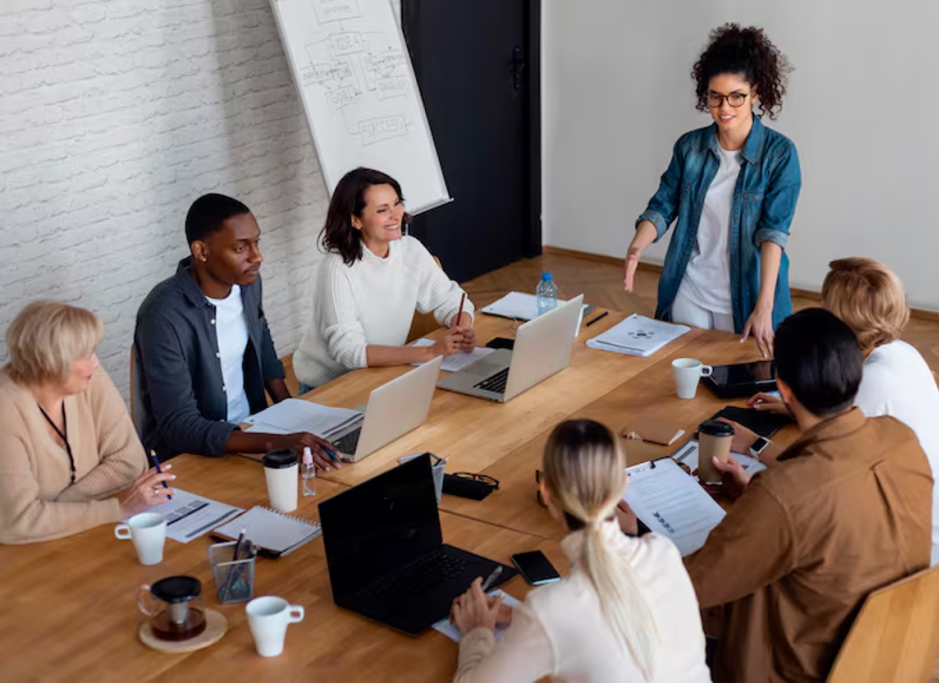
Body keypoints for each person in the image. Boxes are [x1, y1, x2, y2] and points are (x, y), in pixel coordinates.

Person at [685, 309, 933, 682]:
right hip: (891, 654)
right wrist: (755, 498)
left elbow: (689, 588)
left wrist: (632, 534)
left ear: (783, 388)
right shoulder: (901, 438)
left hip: (801, 668)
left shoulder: (785, 493)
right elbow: (835, 513)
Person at [745, 257, 939, 596]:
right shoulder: (902, 353)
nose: (819, 309)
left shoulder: (873, 380)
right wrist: (794, 409)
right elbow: (855, 420)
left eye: (824, 304)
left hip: (936, 564)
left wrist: (751, 446)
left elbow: (813, 476)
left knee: (790, 554)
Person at [448, 419, 711, 683]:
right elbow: (605, 620)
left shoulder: (551, 610)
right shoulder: (663, 552)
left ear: (546, 491)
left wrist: (477, 631)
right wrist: (520, 619)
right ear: (623, 484)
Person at [624, 24, 801, 357]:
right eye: (715, 97)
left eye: (737, 96)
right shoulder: (689, 148)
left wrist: (764, 306)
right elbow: (663, 207)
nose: (725, 108)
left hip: (747, 295)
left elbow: (773, 235)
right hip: (688, 288)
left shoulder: (779, 155)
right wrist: (637, 246)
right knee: (681, 380)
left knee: (739, 385)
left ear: (757, 93)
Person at [135, 194, 340, 470]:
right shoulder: (163, 314)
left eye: (256, 242)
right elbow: (179, 425)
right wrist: (275, 442)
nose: (257, 256)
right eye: (240, 248)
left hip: (253, 429)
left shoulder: (246, 283)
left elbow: (262, 344)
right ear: (201, 251)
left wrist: (295, 417)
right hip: (196, 457)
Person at [0, 301, 174, 544]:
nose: (96, 363)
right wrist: (116, 510)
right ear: (47, 364)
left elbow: (130, 463)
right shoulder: (6, 411)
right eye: (85, 355)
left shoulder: (90, 379)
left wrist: (55, 507)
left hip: (79, 536)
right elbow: (18, 522)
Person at [292, 167, 475, 391]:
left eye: (397, 203)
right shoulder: (337, 268)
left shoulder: (410, 249)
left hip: (381, 373)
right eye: (382, 210)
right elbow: (349, 351)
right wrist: (429, 352)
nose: (396, 214)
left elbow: (452, 300)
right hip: (331, 386)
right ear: (355, 220)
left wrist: (462, 328)